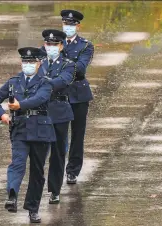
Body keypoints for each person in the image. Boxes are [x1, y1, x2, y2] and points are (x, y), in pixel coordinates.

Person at [0, 47, 55, 223]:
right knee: (17, 163)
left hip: (40, 130)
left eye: (31, 62)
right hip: (20, 129)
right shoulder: (14, 81)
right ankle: (12, 194)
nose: (28, 65)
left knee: (37, 172)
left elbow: (40, 99)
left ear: (39, 64)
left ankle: (33, 209)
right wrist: (1, 115)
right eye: (25, 62)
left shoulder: (46, 82)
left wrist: (20, 105)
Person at [40, 29, 76, 204]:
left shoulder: (68, 64)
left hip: (60, 112)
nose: (51, 47)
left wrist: (43, 83)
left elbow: (63, 80)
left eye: (54, 44)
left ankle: (54, 189)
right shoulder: (38, 62)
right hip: (41, 111)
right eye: (48, 44)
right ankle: (37, 188)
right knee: (38, 153)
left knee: (58, 153)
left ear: (61, 46)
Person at [60, 9, 94, 184]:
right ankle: (57, 167)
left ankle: (72, 170)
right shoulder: (54, 42)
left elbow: (80, 69)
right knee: (59, 133)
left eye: (71, 24)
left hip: (79, 94)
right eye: (66, 24)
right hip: (59, 94)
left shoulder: (85, 45)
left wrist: (59, 64)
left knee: (77, 134)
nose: (68, 27)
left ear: (78, 26)